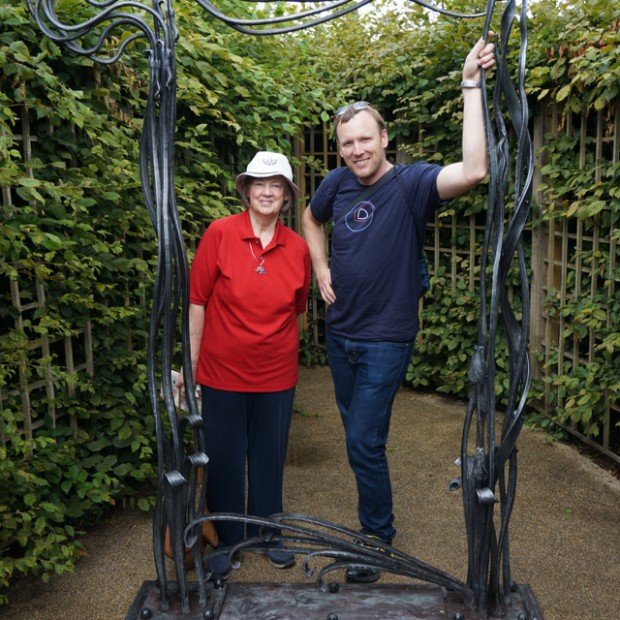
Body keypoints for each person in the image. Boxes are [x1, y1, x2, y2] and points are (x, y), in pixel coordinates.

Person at [301, 37, 496, 583]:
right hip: (340, 334)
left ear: (385, 138)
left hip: (387, 336)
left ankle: (377, 538)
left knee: (364, 439)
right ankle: (375, 520)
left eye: (365, 138)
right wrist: (319, 269)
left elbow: (474, 170)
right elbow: (311, 220)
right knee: (357, 436)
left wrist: (470, 85)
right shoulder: (336, 184)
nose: (357, 150)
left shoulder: (410, 184)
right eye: (347, 143)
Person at [179, 151, 311, 581]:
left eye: (277, 185)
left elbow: (297, 308)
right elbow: (197, 302)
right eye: (260, 184)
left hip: (276, 374)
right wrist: (192, 368)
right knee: (224, 457)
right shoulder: (219, 233)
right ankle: (230, 540)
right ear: (246, 190)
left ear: (287, 196)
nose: (268, 192)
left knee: (270, 456)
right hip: (221, 373)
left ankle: (269, 534)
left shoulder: (297, 248)